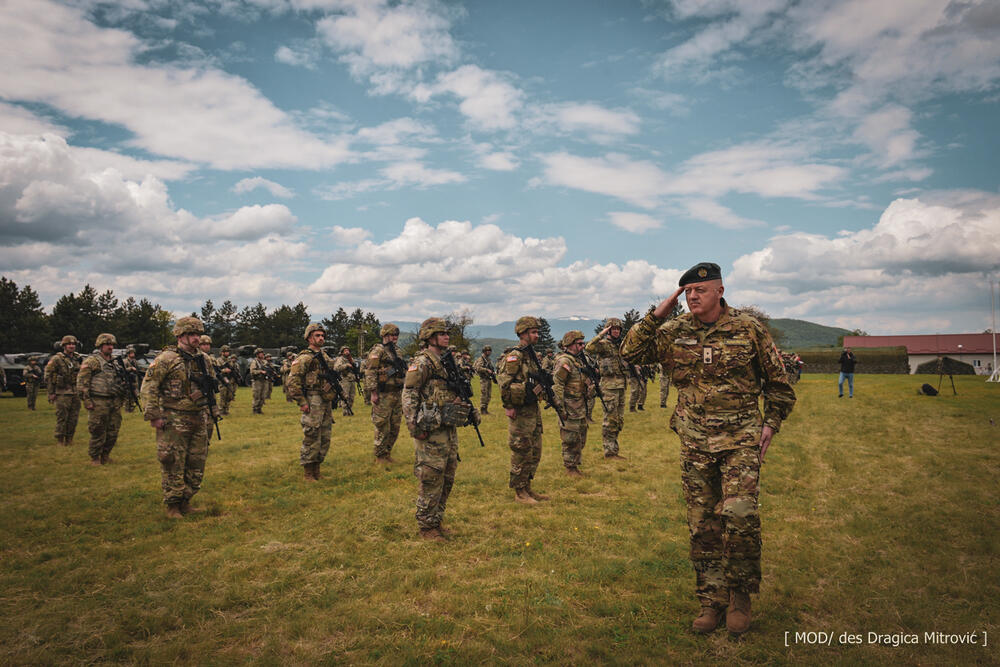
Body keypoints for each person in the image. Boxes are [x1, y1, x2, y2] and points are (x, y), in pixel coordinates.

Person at [621, 261, 796, 635]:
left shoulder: (748, 329)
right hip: (695, 441)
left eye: (700, 290)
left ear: (720, 290)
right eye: (686, 292)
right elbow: (630, 354)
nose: (693, 296)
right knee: (703, 525)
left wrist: (771, 422)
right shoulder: (674, 330)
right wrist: (658, 313)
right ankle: (710, 601)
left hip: (740, 440)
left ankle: (740, 597)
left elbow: (778, 382)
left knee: (740, 516)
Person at [401, 317, 480, 541]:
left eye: (447, 333)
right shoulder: (423, 363)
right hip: (429, 428)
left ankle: (436, 521)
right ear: (430, 337)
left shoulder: (446, 362)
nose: (447, 336)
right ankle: (426, 527)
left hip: (447, 427)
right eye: (442, 333)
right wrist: (414, 426)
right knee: (431, 476)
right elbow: (409, 394)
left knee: (447, 476)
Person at [140, 317, 218, 518]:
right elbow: (150, 387)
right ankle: (172, 506)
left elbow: (210, 387)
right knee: (173, 460)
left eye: (198, 334)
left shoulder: (204, 359)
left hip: (199, 416)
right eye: (192, 334)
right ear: (180, 335)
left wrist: (213, 412)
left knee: (196, 461)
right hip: (174, 417)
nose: (196, 338)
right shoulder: (167, 359)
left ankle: (186, 501)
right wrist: (154, 415)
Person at [497, 316, 549, 504]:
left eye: (537, 332)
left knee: (535, 449)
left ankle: (527, 487)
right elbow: (504, 381)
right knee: (521, 449)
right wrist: (508, 406)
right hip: (520, 411)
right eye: (533, 332)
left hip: (532, 409)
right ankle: (519, 492)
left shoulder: (531, 355)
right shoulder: (516, 355)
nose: (537, 335)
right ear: (523, 333)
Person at [286, 324, 337, 481]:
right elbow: (292, 382)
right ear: (309, 337)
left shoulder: (325, 357)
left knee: (325, 435)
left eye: (322, 335)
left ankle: (317, 470)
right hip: (312, 399)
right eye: (317, 335)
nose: (321, 338)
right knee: (312, 434)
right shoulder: (304, 358)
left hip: (325, 400)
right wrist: (302, 401)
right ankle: (308, 472)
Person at [77, 333, 129, 465]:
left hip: (114, 401)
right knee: (98, 430)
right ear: (100, 346)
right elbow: (82, 381)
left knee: (113, 430)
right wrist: (87, 400)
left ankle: (105, 455)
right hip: (98, 400)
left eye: (112, 344)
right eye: (107, 344)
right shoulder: (92, 361)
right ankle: (95, 457)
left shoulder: (116, 362)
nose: (110, 347)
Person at [585, 318, 628, 460]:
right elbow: (589, 347)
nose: (616, 331)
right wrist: (601, 334)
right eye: (613, 329)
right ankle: (609, 452)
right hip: (609, 386)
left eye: (618, 329)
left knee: (619, 419)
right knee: (610, 419)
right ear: (608, 330)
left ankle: (614, 449)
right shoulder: (603, 345)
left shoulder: (620, 345)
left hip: (621, 385)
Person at [365, 324, 407, 464]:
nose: (395, 337)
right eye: (392, 334)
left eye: (396, 335)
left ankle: (388, 452)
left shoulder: (397, 351)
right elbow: (370, 372)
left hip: (396, 392)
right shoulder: (378, 351)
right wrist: (373, 392)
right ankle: (380, 456)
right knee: (383, 425)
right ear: (385, 335)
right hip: (383, 394)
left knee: (395, 426)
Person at [553, 331, 590, 477]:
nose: (582, 346)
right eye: (579, 344)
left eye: (583, 343)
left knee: (580, 436)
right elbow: (558, 385)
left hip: (579, 405)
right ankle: (570, 467)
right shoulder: (565, 361)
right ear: (570, 344)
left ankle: (575, 464)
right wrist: (560, 407)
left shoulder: (577, 360)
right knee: (570, 438)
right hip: (569, 406)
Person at [45, 335, 82, 446]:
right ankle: (60, 439)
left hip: (75, 391)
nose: (71, 346)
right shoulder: (57, 359)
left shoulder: (77, 358)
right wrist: (51, 393)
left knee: (73, 417)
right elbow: (49, 376)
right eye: (69, 344)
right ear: (64, 346)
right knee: (62, 417)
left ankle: (70, 438)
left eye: (73, 344)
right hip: (62, 392)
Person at [333, 346, 358, 417]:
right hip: (345, 379)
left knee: (352, 396)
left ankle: (350, 409)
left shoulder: (350, 359)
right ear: (342, 352)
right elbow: (336, 368)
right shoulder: (340, 359)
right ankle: (345, 411)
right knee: (345, 395)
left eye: (348, 350)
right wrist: (346, 365)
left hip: (352, 379)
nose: (347, 352)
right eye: (345, 350)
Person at [472, 345, 496, 414]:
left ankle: (486, 409)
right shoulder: (481, 359)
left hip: (488, 378)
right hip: (484, 379)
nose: (488, 352)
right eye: (487, 351)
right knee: (484, 394)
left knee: (488, 395)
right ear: (484, 351)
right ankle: (483, 409)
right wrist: (486, 370)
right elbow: (477, 368)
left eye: (489, 351)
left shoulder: (488, 359)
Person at [216, 345, 239, 415]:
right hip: (222, 380)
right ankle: (221, 410)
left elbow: (233, 370)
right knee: (223, 396)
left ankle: (226, 409)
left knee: (229, 396)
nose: (227, 353)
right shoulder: (218, 360)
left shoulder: (230, 361)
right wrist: (224, 370)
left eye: (228, 352)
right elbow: (216, 370)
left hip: (230, 381)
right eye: (225, 352)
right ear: (222, 352)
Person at [249, 348, 269, 414]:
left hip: (264, 380)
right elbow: (252, 371)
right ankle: (255, 409)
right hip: (257, 381)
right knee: (257, 395)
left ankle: (259, 409)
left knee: (263, 395)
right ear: (257, 354)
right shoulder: (254, 362)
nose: (262, 354)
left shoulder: (264, 362)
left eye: (262, 353)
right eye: (261, 353)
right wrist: (260, 371)